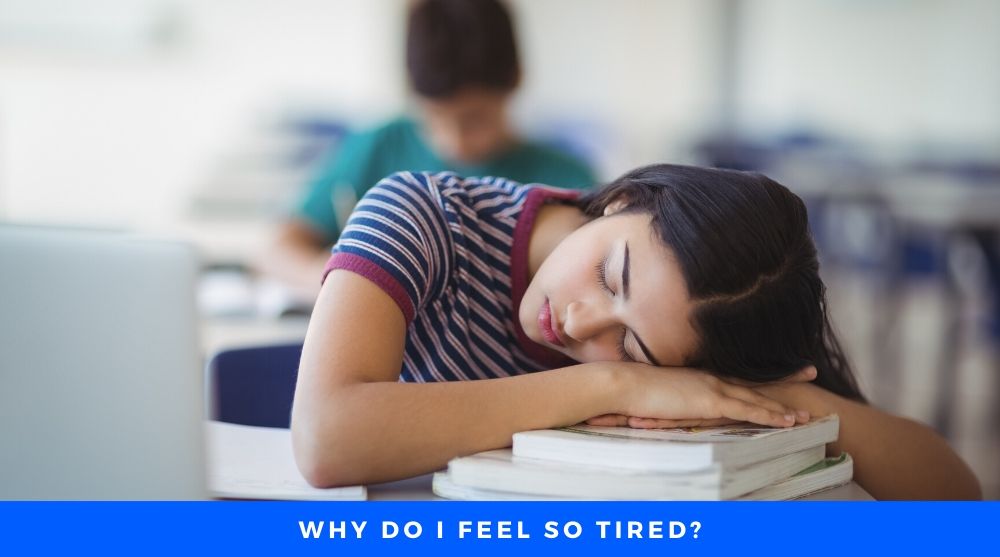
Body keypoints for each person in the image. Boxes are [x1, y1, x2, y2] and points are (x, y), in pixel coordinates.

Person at [290, 165, 982, 500]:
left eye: (630, 344)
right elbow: (326, 437)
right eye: (611, 273)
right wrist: (613, 377)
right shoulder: (425, 214)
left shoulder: (686, 354)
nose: (581, 321)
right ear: (626, 199)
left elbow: (955, 498)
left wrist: (756, 392)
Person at [261, 0, 595, 298]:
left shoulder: (564, 180)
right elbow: (278, 248)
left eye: (475, 119)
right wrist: (345, 283)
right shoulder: (381, 145)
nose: (455, 140)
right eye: (434, 117)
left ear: (516, 80)